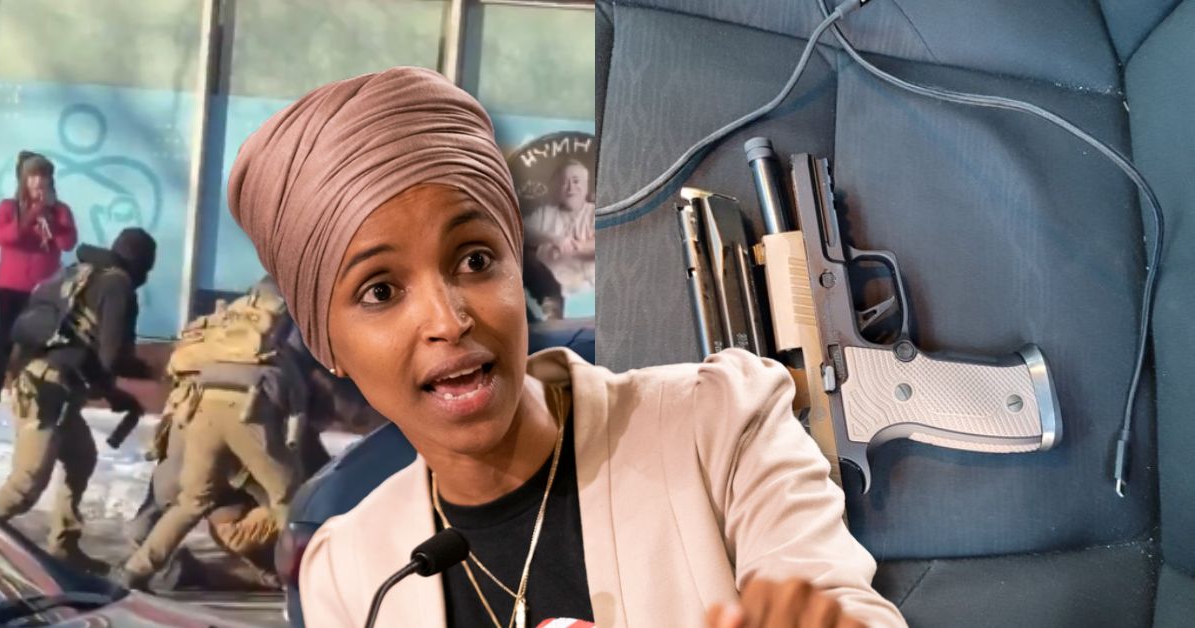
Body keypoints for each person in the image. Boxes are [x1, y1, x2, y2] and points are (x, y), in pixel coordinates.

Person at [226, 67, 905, 628]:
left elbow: (842, 608)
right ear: (328, 345)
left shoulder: (721, 423)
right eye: (380, 292)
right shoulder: (350, 574)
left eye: (473, 259)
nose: (448, 318)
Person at [114, 275, 308, 589]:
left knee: (193, 501)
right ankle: (302, 579)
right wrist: (290, 451)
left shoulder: (219, 330)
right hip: (247, 409)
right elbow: (296, 408)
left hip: (199, 407)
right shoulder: (276, 344)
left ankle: (134, 571)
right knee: (291, 498)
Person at [0, 228, 155, 572]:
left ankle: (64, 545)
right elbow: (112, 358)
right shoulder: (119, 286)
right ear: (142, 265)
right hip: (47, 389)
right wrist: (156, 372)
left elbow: (77, 349)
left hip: (46, 382)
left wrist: (112, 394)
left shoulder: (77, 272)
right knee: (26, 484)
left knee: (82, 457)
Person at [0, 152, 78, 397]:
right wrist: (32, 213)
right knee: (1, 341)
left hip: (44, 290)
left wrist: (49, 218)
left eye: (43, 175)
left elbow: (67, 243)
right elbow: (5, 237)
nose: (38, 181)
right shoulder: (9, 207)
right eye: (32, 175)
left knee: (37, 344)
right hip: (10, 287)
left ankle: (29, 393)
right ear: (24, 179)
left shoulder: (60, 210)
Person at [522, 159, 596, 303]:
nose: (570, 187)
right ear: (557, 188)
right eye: (564, 182)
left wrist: (577, 247)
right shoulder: (545, 213)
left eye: (576, 181)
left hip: (591, 294)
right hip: (549, 296)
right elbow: (519, 230)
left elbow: (605, 243)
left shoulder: (595, 212)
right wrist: (554, 239)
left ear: (586, 186)